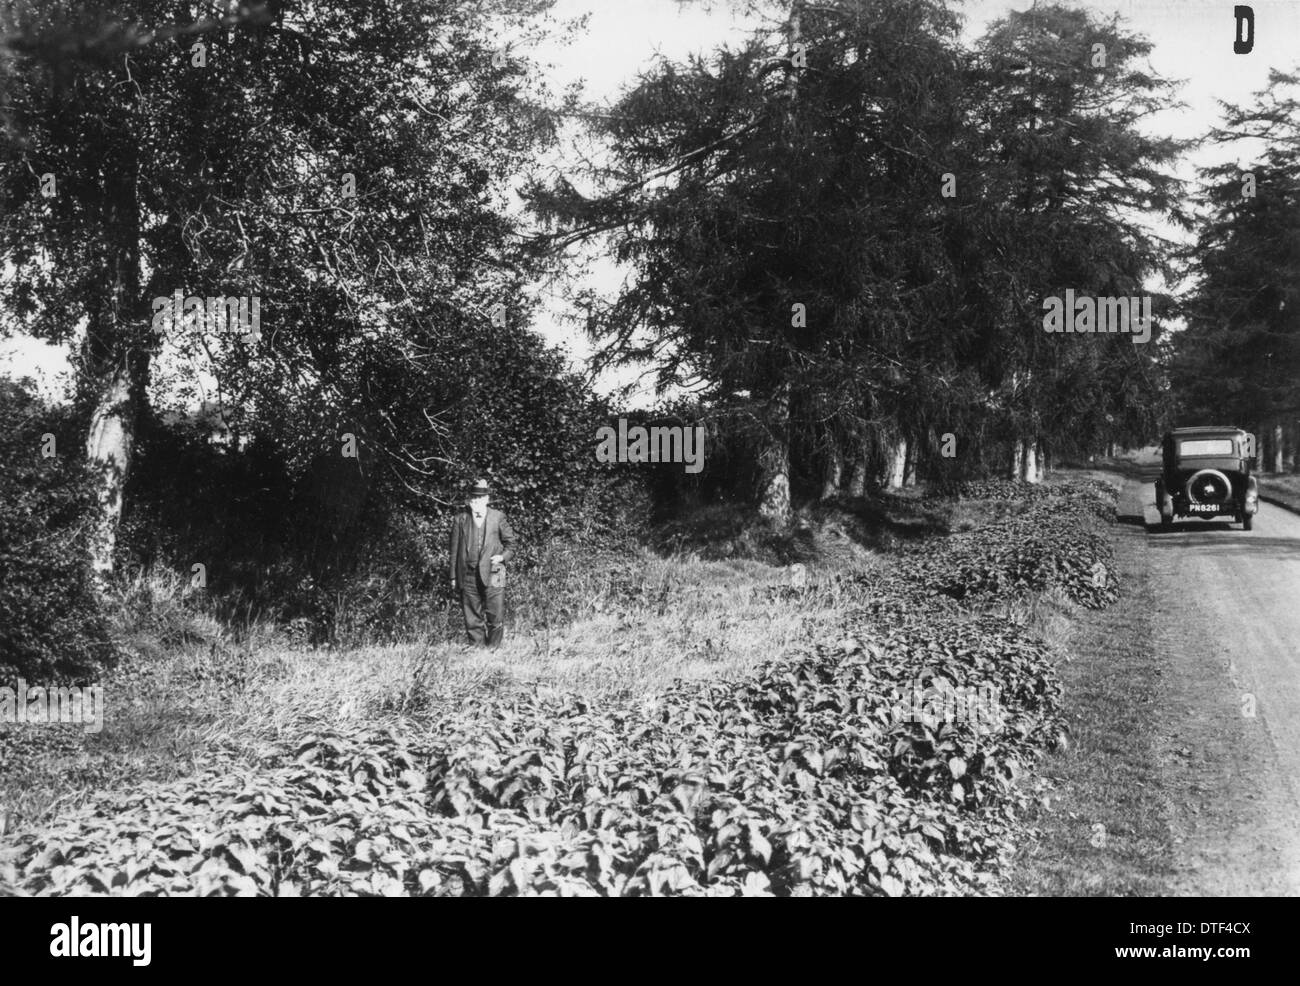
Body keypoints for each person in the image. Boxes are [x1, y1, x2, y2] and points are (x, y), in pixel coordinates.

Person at [448, 479, 516, 647]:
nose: (475, 502)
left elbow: (512, 544)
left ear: (487, 499)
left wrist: (502, 557)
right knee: (471, 615)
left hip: (496, 571)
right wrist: (453, 577)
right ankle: (477, 649)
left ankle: (493, 649)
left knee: (496, 613)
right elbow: (454, 550)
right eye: (473, 498)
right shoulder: (460, 519)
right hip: (467, 572)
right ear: (469, 500)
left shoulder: (498, 517)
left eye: (479, 498)